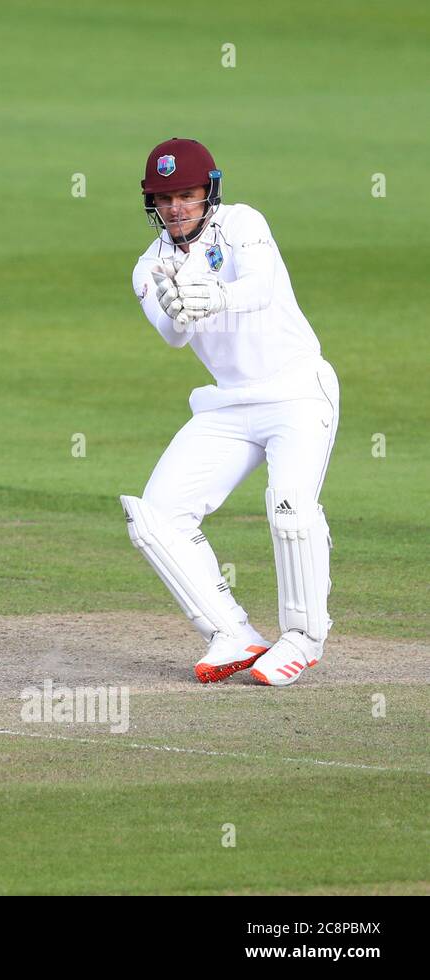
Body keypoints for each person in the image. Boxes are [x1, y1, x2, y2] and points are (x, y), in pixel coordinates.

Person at [122, 138, 339, 686]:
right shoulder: (149, 266)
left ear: (209, 193)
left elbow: (261, 288)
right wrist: (175, 306)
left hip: (296, 391)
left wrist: (213, 295)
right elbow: (173, 335)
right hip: (229, 403)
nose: (176, 208)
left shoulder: (242, 224)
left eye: (187, 195)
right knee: (156, 516)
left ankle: (303, 637)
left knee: (290, 510)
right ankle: (232, 633)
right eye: (164, 197)